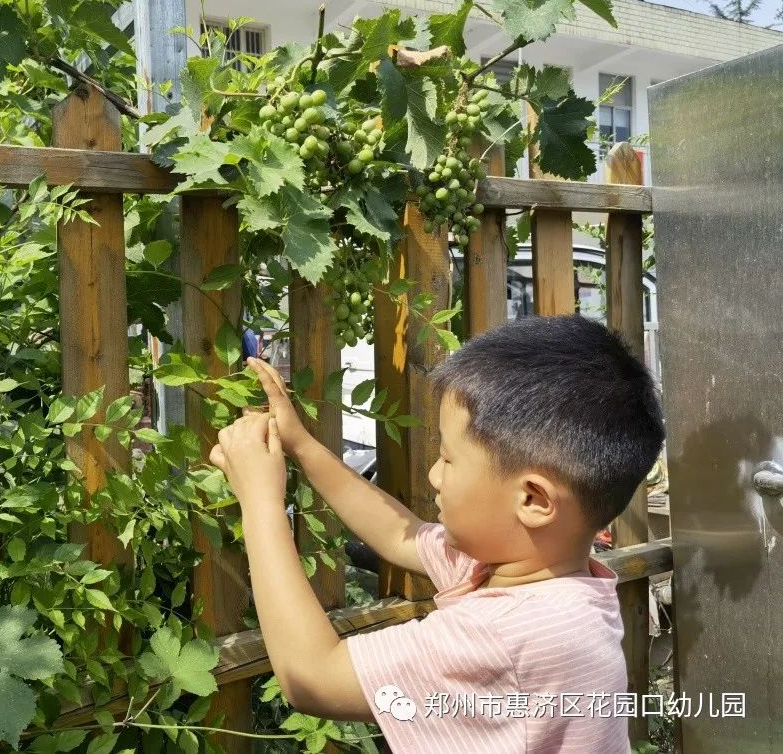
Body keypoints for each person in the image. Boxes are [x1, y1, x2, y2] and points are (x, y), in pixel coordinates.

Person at [209, 314, 665, 753]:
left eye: (448, 459)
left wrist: (260, 502)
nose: (433, 475)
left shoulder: (506, 635)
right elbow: (397, 533)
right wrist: (302, 445)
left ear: (532, 500)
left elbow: (313, 678)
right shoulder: (539, 574)